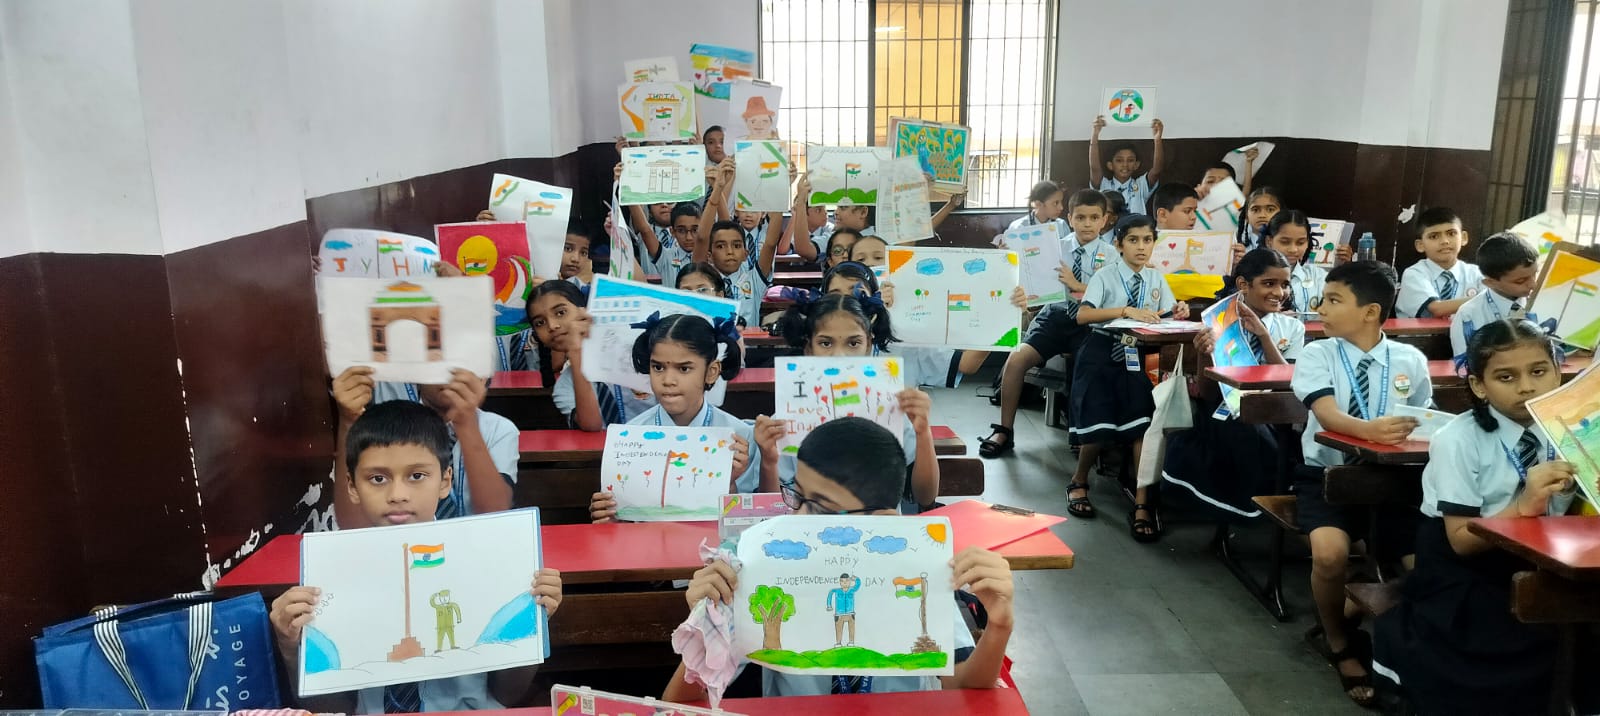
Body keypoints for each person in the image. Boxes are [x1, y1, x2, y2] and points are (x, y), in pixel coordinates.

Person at [662, 417, 1015, 699]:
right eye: (798, 497)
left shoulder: (919, 570)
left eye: (820, 507)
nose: (798, 518)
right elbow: (679, 703)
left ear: (884, 519)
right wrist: (705, 629)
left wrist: (999, 626)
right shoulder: (762, 570)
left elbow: (963, 688)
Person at [269, 401, 564, 711]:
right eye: (378, 479)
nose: (398, 495)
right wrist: (291, 647)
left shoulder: (484, 562)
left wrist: (532, 622)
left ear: (445, 481)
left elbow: (508, 695)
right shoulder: (333, 574)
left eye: (417, 475)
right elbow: (330, 707)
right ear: (352, 486)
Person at [1371, 319, 1580, 715]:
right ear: (1479, 385)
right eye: (1506, 377)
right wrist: (1524, 506)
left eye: (1539, 372)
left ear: (1557, 370)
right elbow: (1461, 541)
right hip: (1468, 559)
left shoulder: (1573, 429)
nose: (1526, 387)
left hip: (1547, 552)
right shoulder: (1458, 439)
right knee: (1499, 640)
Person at [1290, 260, 1431, 708]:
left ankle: (1354, 609)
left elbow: (1424, 420)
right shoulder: (1318, 354)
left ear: (1370, 312)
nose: (1321, 308)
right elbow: (1327, 414)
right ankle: (1338, 640)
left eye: (1334, 300)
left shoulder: (1410, 360)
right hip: (1327, 477)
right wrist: (1369, 432)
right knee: (1330, 554)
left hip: (1392, 483)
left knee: (1428, 565)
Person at [756, 292, 938, 512]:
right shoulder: (788, 419)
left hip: (880, 529)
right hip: (807, 529)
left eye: (853, 343)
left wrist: (923, 433)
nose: (839, 356)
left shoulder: (892, 410)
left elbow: (925, 496)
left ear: (868, 345)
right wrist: (768, 461)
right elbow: (772, 508)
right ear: (809, 348)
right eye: (825, 343)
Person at [1068, 215, 1190, 541]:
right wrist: (1124, 310)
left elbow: (1162, 315)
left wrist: (1176, 312)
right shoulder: (1105, 276)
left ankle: (1142, 503)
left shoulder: (1155, 277)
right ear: (1119, 244)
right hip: (1100, 353)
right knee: (1098, 424)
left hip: (1136, 354)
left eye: (1147, 240)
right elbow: (1083, 315)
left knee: (1142, 424)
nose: (1141, 247)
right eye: (1133, 240)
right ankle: (1079, 481)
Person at [1163, 249, 1303, 516]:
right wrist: (1204, 354)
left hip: (1276, 410)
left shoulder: (1291, 327)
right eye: (1269, 283)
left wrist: (1264, 336)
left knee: (1288, 438)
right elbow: (1208, 392)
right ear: (1243, 284)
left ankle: (1271, 505)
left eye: (1285, 284)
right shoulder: (1217, 323)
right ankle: (1250, 509)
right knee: (1246, 433)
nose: (1279, 292)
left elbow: (1287, 383)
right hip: (1225, 408)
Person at [979, 189, 1114, 457]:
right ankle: (1004, 430)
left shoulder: (1112, 255)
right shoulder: (1053, 247)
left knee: (1085, 367)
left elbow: (1112, 296)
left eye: (1094, 217)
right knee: (1016, 360)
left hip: (1089, 323)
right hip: (1055, 315)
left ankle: (1081, 433)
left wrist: (1077, 285)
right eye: (1080, 217)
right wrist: (1009, 258)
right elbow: (1026, 278)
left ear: (1104, 220)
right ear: (1069, 219)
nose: (1087, 224)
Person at [587, 314, 758, 522]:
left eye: (684, 369)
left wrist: (730, 483)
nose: (668, 380)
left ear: (711, 372)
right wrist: (610, 517)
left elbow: (748, 523)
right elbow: (622, 519)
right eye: (658, 367)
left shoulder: (739, 438)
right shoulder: (629, 438)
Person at [336, 368, 518, 524]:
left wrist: (466, 421)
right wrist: (348, 420)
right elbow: (352, 524)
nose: (451, 372)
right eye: (440, 361)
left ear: (483, 377)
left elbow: (495, 514)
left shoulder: (498, 429)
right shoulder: (389, 425)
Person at [1448, 232, 1538, 361]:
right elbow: (1463, 363)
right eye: (1520, 281)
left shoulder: (1545, 302)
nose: (1533, 285)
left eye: (1534, 274)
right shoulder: (1468, 315)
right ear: (1490, 283)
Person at [1396, 207, 1484, 318]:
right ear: (1420, 245)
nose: (1444, 241)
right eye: (1434, 236)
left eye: (1451, 234)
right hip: (1421, 331)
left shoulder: (1477, 273)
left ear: (1464, 238)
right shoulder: (1414, 273)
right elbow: (1436, 309)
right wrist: (1485, 299)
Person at [1089, 116, 1164, 215]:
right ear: (1110, 165)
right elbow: (1094, 169)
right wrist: (1095, 135)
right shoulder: (1104, 185)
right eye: (1119, 160)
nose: (1125, 165)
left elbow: (1156, 171)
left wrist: (1157, 139)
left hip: (1136, 225)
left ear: (1136, 165)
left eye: (1130, 160)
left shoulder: (1140, 185)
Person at [1257, 210, 1326, 313]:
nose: (1293, 249)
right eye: (1285, 242)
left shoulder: (1318, 276)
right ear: (1269, 241)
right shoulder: (1255, 275)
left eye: (1300, 242)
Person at [1235, 186, 1283, 251]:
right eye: (1255, 210)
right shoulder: (1236, 246)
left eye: (1270, 209)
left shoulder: (1291, 245)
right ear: (1246, 216)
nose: (1262, 215)